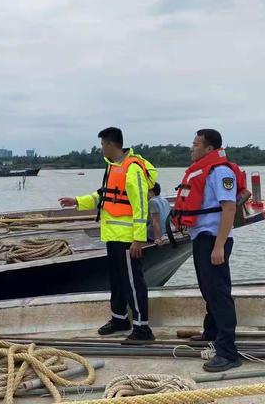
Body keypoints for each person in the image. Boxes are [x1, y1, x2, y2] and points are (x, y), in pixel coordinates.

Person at [59, 127, 157, 341]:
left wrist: (138, 239)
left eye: (102, 144)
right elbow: (103, 196)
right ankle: (119, 318)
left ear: (112, 144)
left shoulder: (132, 169)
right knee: (117, 280)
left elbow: (140, 206)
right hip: (112, 236)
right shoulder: (113, 168)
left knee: (133, 282)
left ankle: (142, 328)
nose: (101, 148)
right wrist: (76, 201)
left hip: (128, 239)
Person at [171, 129, 246, 372]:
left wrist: (219, 245)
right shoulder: (203, 170)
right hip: (202, 237)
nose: (191, 148)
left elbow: (229, 209)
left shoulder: (220, 172)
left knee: (219, 294)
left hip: (215, 239)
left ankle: (228, 353)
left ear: (209, 149)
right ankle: (211, 331)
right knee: (208, 290)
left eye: (195, 144)